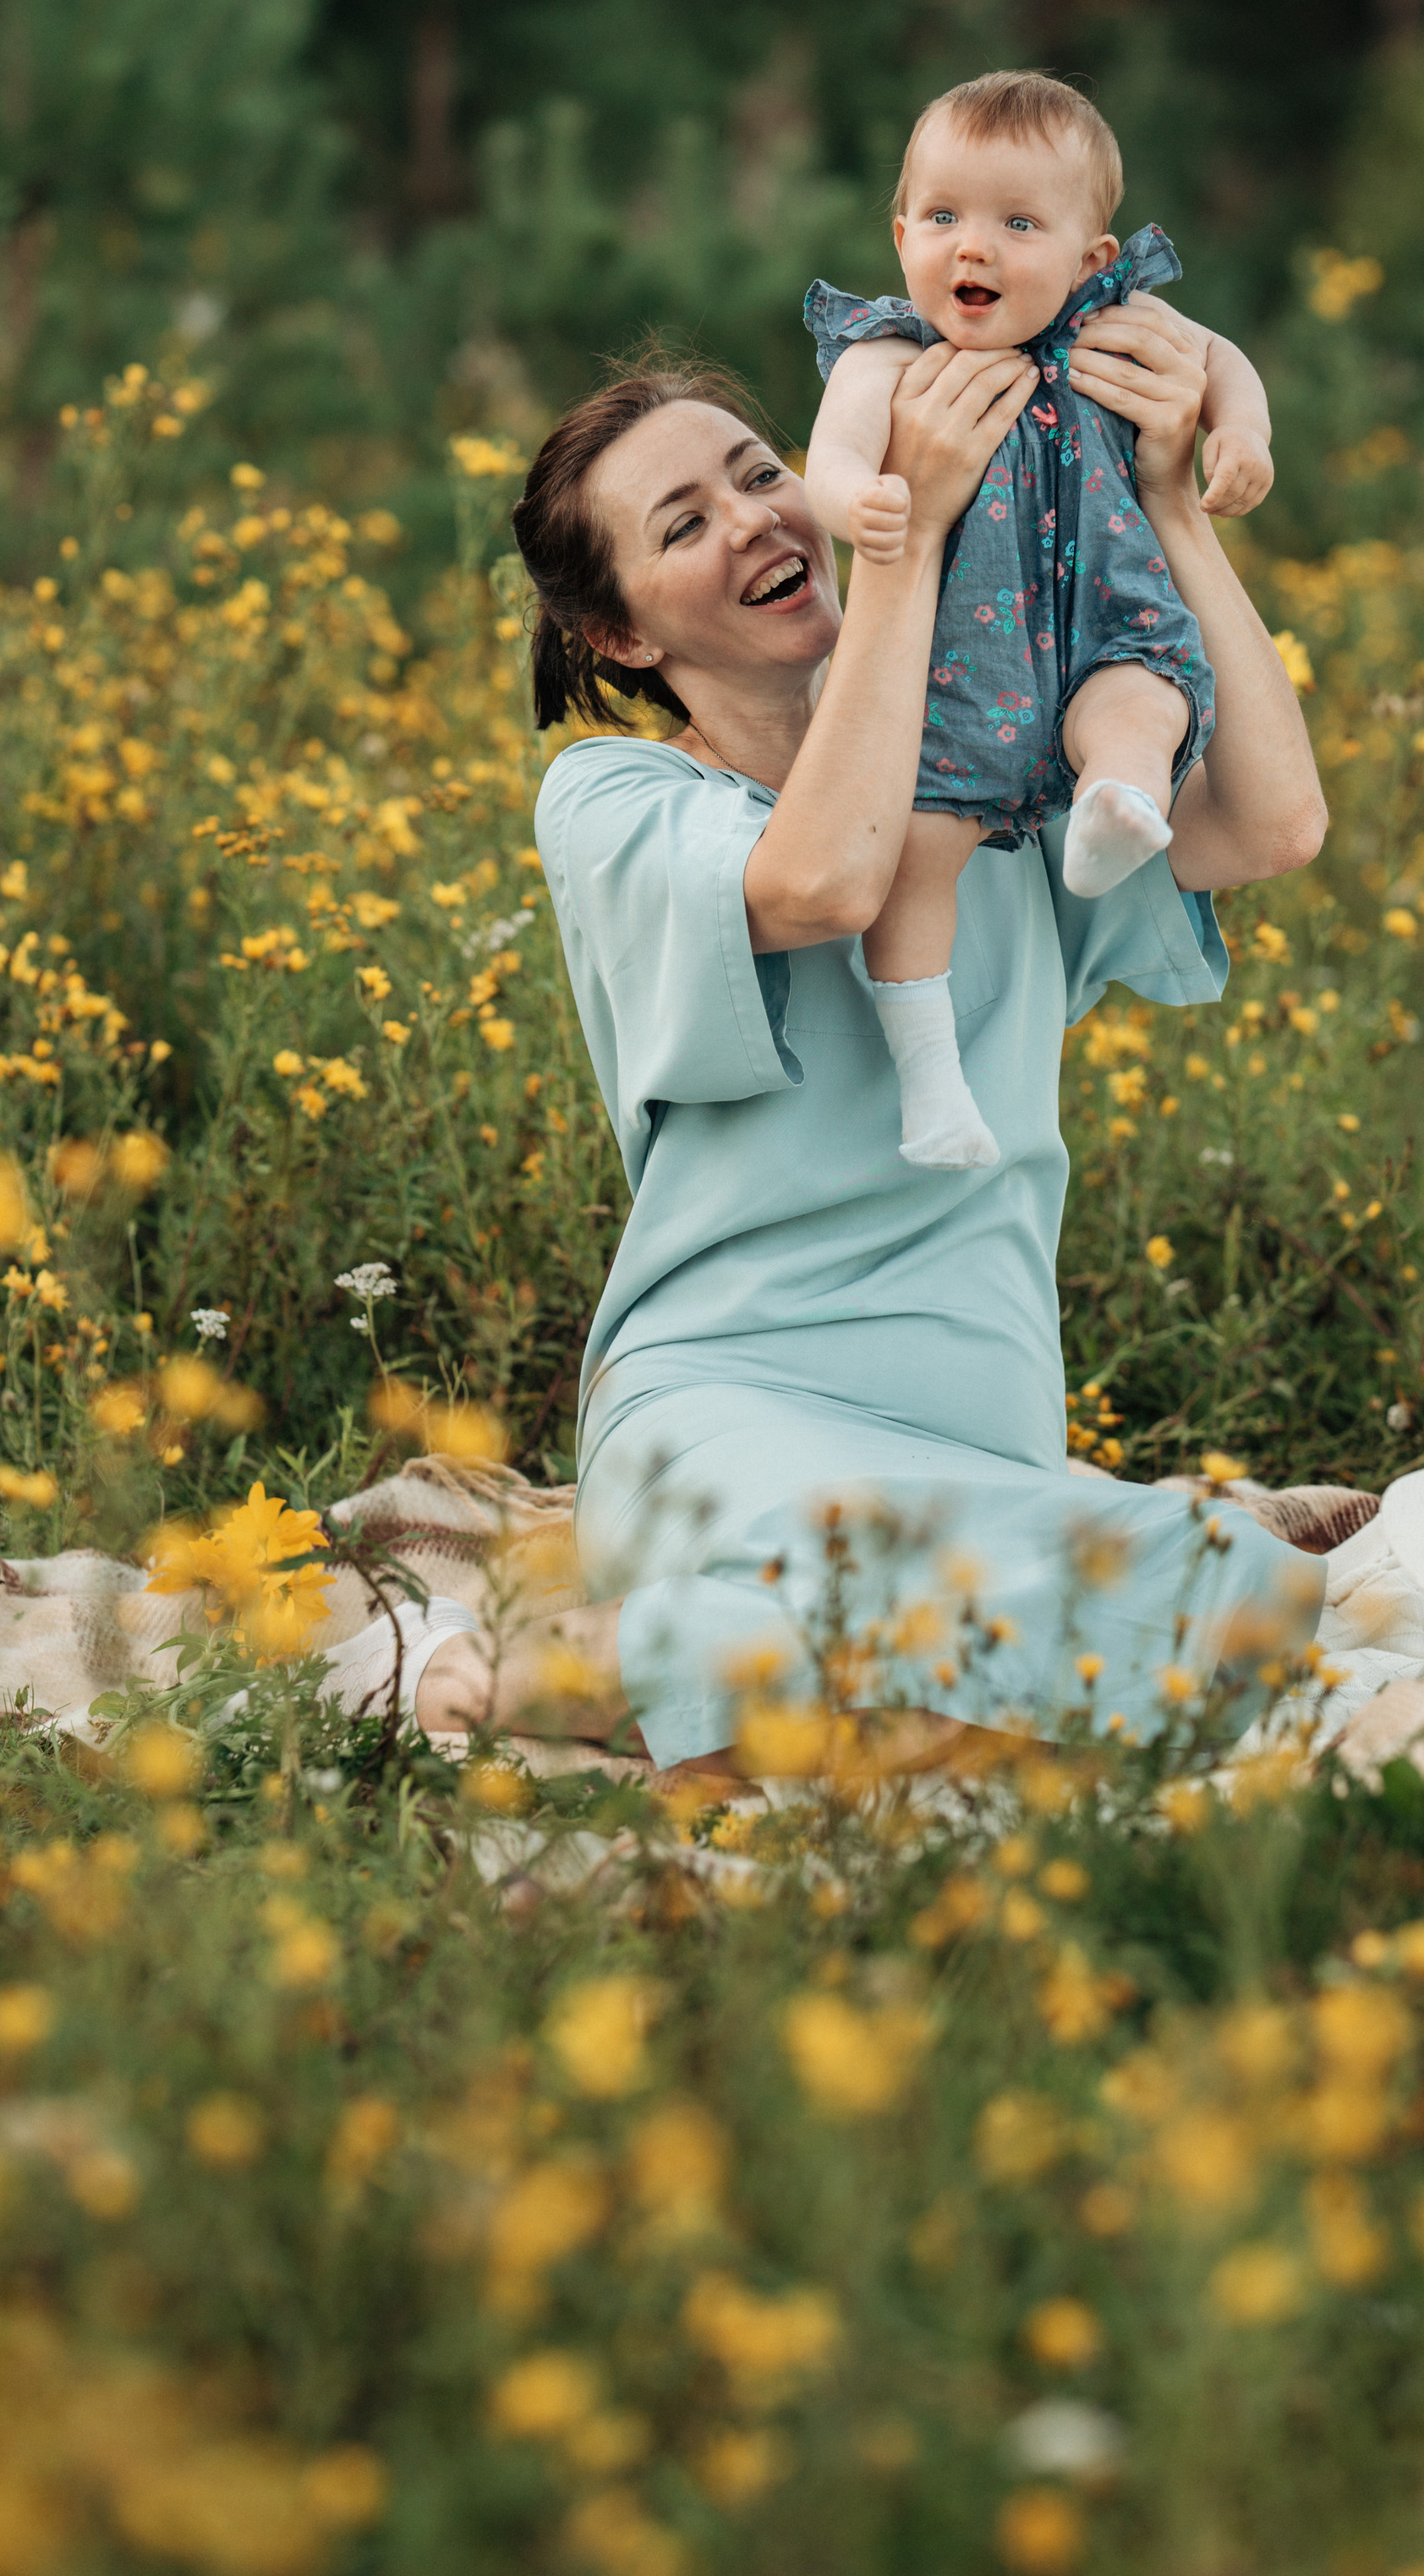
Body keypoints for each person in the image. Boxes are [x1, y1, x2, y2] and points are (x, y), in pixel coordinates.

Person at [389, 304, 1328, 1786]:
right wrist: (911, 556)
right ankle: (542, 1676)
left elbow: (1271, 827)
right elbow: (827, 878)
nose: (759, 519)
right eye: (685, 522)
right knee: (897, 1588)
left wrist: (1167, 505)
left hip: (985, 1435)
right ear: (621, 633)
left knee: (1246, 1590)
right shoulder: (616, 803)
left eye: (764, 474)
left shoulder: (1013, 777)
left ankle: (735, 1705)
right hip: (730, 1407)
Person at [800, 68, 1273, 1169]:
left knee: (1140, 704)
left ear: (1089, 259)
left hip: (1111, 622)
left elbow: (1224, 363)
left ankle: (1115, 807)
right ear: (903, 230)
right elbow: (830, 451)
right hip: (957, 674)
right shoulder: (888, 354)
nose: (976, 249)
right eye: (946, 217)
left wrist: (1239, 434)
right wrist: (855, 503)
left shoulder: (1119, 330)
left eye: (1019, 223)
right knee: (916, 857)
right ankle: (933, 1087)